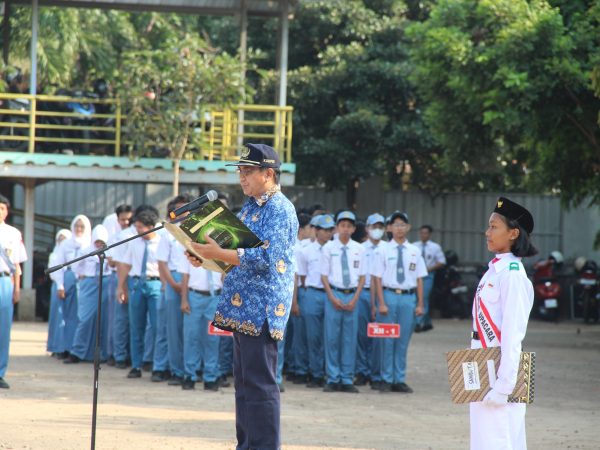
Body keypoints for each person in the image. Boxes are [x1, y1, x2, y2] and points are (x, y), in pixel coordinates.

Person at [187, 143, 298, 450]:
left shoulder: (280, 209)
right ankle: (247, 444)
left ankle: (264, 446)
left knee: (261, 384)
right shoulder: (249, 207)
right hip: (242, 306)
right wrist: (206, 257)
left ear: (270, 174)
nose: (242, 178)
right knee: (244, 384)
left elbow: (268, 258)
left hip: (262, 308)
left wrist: (221, 252)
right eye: (240, 172)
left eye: (249, 172)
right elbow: (234, 250)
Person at [470, 197, 537, 450]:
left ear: (513, 233)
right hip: (483, 361)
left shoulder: (512, 275)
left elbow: (513, 333)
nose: (487, 233)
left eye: (494, 227)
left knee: (499, 438)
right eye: (488, 226)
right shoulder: (495, 270)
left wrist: (504, 386)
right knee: (484, 437)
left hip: (498, 369)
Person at [372, 211, 426, 393]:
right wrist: (381, 302)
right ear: (389, 228)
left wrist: (420, 304)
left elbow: (419, 279)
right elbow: (377, 278)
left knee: (403, 340)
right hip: (389, 296)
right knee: (387, 340)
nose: (399, 228)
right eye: (395, 224)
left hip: (408, 298)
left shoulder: (415, 251)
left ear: (408, 228)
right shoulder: (383, 250)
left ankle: (399, 378)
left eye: (403, 224)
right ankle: (385, 378)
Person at [320, 210, 365, 393]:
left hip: (352, 295)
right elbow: (324, 276)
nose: (345, 229)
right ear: (337, 228)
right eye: (342, 226)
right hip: (334, 294)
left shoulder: (359, 249)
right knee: (331, 338)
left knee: (349, 338)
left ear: (353, 229)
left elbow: (362, 277)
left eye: (349, 226)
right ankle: (333, 377)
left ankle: (347, 378)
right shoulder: (328, 248)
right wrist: (332, 297)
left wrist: (355, 298)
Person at [116, 210, 162, 379]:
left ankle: (157, 365)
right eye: (136, 227)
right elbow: (125, 265)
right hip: (136, 284)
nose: (137, 230)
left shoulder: (161, 242)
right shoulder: (134, 242)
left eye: (141, 227)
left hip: (155, 283)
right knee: (136, 327)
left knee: (158, 327)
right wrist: (121, 287)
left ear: (151, 227)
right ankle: (136, 365)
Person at [157, 194, 193, 385]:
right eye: (179, 209)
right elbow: (162, 263)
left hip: (194, 282)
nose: (183, 213)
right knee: (174, 330)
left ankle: (193, 370)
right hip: (173, 280)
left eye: (186, 208)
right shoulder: (167, 233)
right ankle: (177, 370)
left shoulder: (199, 230)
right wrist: (173, 284)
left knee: (192, 331)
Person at [297, 214, 335, 388]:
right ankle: (315, 373)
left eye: (330, 230)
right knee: (313, 337)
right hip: (312, 293)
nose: (328, 234)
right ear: (316, 231)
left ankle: (330, 372)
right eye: (324, 230)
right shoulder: (306, 251)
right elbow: (302, 276)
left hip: (331, 294)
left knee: (330, 336)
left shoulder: (336, 249)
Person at [65, 225, 110, 363]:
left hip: (105, 282)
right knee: (85, 318)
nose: (99, 244)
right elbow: (75, 267)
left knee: (102, 319)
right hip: (89, 284)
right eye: (97, 241)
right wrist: (83, 276)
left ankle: (99, 354)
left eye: (102, 242)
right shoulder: (86, 251)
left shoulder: (110, 251)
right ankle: (77, 352)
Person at [179, 258, 223, 390]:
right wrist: (184, 300)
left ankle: (210, 377)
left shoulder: (220, 248)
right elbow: (185, 276)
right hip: (194, 297)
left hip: (215, 298)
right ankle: (190, 375)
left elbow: (225, 276)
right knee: (191, 337)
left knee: (213, 339)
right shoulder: (190, 250)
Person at [54, 214, 93, 358]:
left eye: (82, 226)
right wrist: (60, 284)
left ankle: (81, 350)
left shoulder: (90, 243)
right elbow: (58, 264)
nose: (79, 229)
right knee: (68, 316)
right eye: (76, 226)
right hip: (69, 277)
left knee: (82, 316)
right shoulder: (66, 244)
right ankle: (66, 347)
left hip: (85, 280)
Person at [0, 194, 28, 389]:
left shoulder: (13, 233)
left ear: (7, 211)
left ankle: (0, 372)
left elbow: (16, 263)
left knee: (3, 330)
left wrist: (17, 288)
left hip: (4, 280)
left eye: (2, 208)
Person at [355, 213, 386, 387]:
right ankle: (361, 370)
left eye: (380, 227)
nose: (377, 230)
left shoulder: (387, 248)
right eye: (374, 227)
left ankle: (376, 373)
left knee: (379, 334)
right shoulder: (359, 248)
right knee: (361, 334)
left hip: (381, 294)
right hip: (363, 293)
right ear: (367, 228)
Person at [412, 225, 446, 332]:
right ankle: (427, 322)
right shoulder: (414, 246)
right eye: (422, 233)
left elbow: (442, 262)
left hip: (427, 276)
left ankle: (418, 323)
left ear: (430, 234)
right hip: (415, 276)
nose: (423, 235)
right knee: (416, 298)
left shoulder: (435, 247)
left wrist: (428, 269)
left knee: (423, 298)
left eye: (426, 233)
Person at [46, 229, 72, 357]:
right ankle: (56, 347)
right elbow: (53, 272)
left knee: (68, 318)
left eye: (65, 239)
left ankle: (67, 347)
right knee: (58, 318)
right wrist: (60, 285)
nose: (62, 242)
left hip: (69, 286)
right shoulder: (54, 255)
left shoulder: (73, 254)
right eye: (60, 239)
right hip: (57, 287)